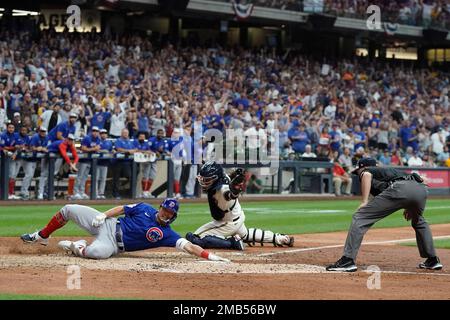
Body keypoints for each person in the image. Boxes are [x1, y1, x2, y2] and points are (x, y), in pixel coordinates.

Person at [20, 198, 229, 262]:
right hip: (108, 224)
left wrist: (209, 255)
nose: (165, 214)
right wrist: (103, 215)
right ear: (160, 208)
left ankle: (78, 247)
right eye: (164, 210)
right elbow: (122, 208)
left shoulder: (167, 234)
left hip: (113, 245)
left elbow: (189, 246)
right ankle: (41, 235)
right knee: (69, 209)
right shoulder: (145, 208)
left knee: (96, 253)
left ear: (173, 217)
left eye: (169, 214)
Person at [326, 158, 443, 272]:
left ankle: (347, 260)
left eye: (358, 171)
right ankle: (432, 260)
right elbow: (421, 180)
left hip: (400, 188)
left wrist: (364, 201)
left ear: (364, 167)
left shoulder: (368, 170)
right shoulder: (390, 171)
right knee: (418, 221)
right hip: (421, 189)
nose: (358, 174)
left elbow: (366, 175)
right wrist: (410, 206)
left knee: (360, 216)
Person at [186, 161, 294, 250]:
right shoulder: (224, 179)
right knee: (245, 235)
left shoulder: (220, 189)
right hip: (237, 217)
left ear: (216, 178)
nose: (204, 182)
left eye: (207, 180)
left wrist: (234, 190)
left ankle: (232, 243)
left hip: (227, 222)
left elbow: (229, 194)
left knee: (194, 239)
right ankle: (279, 238)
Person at [37, 134, 79, 200]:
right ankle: (40, 193)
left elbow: (76, 156)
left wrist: (74, 164)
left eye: (72, 140)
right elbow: (65, 155)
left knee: (52, 175)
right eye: (69, 139)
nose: (70, 141)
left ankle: (47, 192)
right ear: (66, 139)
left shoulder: (71, 145)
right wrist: (71, 165)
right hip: (46, 155)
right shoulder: (62, 144)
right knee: (44, 175)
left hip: (53, 158)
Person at [71, 126, 101, 200]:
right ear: (91, 131)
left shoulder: (98, 139)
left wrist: (95, 149)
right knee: (80, 176)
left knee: (85, 177)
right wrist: (94, 149)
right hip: (83, 160)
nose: (95, 132)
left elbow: (98, 148)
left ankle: (81, 192)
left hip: (90, 160)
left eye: (96, 131)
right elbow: (83, 148)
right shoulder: (87, 138)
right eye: (94, 131)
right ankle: (75, 192)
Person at [112, 128, 137, 199]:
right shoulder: (119, 140)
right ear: (121, 133)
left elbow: (135, 149)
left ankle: (129, 193)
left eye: (126, 133)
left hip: (128, 162)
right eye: (124, 133)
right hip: (118, 162)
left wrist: (130, 151)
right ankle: (116, 194)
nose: (125, 134)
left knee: (130, 176)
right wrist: (128, 151)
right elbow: (118, 149)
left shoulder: (130, 141)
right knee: (116, 179)